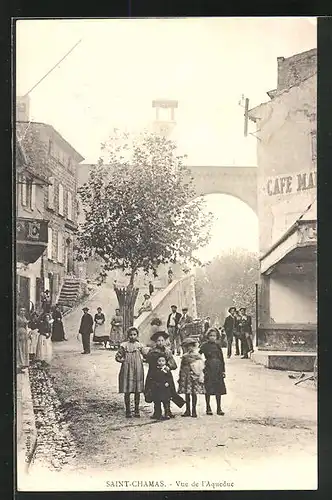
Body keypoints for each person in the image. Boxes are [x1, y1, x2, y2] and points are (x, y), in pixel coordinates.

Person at [144, 331, 178, 420]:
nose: (160, 342)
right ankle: (157, 412)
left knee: (167, 394)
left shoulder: (167, 351)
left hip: (165, 376)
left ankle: (168, 411)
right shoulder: (152, 351)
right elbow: (147, 361)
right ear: (155, 342)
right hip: (154, 376)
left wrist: (168, 367)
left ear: (165, 341)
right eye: (158, 340)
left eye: (162, 340)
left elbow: (173, 364)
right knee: (155, 393)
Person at [115, 327, 145, 418]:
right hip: (127, 369)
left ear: (137, 335)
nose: (132, 336)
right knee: (127, 389)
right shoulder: (124, 345)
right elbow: (118, 356)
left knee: (137, 390)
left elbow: (146, 355)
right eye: (131, 335)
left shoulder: (140, 345)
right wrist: (122, 360)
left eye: (134, 334)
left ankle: (136, 409)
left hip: (137, 369)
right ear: (128, 336)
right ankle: (128, 410)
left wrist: (144, 359)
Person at [199, 328, 227, 416]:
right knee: (208, 388)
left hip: (218, 368)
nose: (212, 337)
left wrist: (223, 370)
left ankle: (219, 408)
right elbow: (198, 354)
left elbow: (221, 358)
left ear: (217, 337)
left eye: (214, 336)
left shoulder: (218, 345)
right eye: (211, 336)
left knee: (218, 389)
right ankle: (208, 407)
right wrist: (201, 364)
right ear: (208, 336)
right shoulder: (204, 345)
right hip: (209, 368)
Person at [178, 338, 205, 418]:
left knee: (194, 394)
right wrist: (180, 377)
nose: (190, 348)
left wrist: (199, 375)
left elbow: (200, 367)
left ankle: (194, 410)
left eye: (191, 346)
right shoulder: (184, 357)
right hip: (186, 377)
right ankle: (187, 410)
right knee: (187, 394)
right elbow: (182, 367)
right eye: (187, 346)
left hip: (194, 377)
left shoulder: (197, 356)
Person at [149, 355, 178, 420]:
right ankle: (157, 413)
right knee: (157, 401)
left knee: (166, 401)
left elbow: (170, 378)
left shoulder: (167, 370)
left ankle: (167, 413)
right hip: (157, 388)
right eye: (159, 361)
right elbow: (152, 378)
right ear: (157, 362)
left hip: (165, 388)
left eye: (163, 361)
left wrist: (168, 383)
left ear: (165, 362)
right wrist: (154, 384)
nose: (161, 362)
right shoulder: (154, 370)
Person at [17, 307, 29, 372]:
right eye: (21, 310)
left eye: (24, 311)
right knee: (20, 349)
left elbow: (26, 326)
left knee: (24, 349)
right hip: (19, 334)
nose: (22, 312)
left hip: (24, 334)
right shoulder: (18, 318)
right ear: (19, 311)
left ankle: (23, 364)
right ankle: (19, 364)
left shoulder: (24, 318)